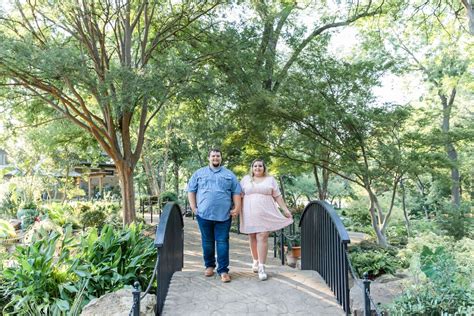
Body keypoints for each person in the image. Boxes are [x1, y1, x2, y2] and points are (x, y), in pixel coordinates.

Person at [187, 149, 242, 283]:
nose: (215, 158)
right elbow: (191, 190)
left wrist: (237, 208)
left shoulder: (229, 175)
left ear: (221, 158)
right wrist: (194, 207)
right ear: (209, 158)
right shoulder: (199, 173)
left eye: (217, 156)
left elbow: (236, 192)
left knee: (222, 242)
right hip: (204, 215)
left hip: (223, 216)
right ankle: (209, 266)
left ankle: (223, 271)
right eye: (213, 156)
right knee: (207, 242)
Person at [240, 159, 293, 281]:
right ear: (252, 168)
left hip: (266, 213)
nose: (257, 168)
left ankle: (262, 267)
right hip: (249, 212)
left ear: (264, 168)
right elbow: (239, 195)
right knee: (252, 236)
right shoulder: (245, 179)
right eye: (255, 166)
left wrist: (285, 210)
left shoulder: (271, 180)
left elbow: (278, 196)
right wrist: (236, 208)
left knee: (262, 236)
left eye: (260, 166)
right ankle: (255, 260)